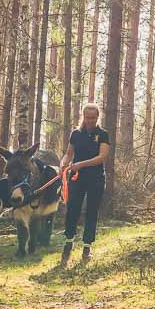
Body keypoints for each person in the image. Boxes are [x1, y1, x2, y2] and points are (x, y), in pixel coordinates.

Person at [58, 103, 110, 266]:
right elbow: (68, 154)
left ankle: (87, 246)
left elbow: (102, 157)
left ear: (97, 117)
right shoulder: (76, 134)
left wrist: (81, 164)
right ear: (83, 117)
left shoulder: (102, 134)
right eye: (87, 118)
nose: (90, 121)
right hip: (76, 178)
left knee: (91, 211)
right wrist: (63, 164)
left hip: (95, 178)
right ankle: (68, 241)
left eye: (93, 118)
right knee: (72, 208)